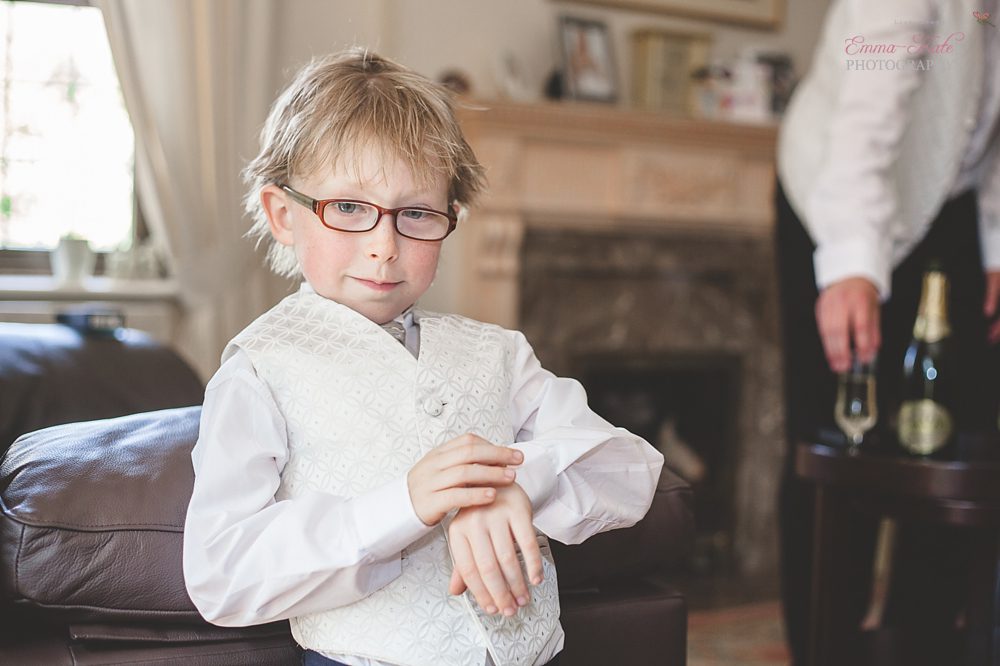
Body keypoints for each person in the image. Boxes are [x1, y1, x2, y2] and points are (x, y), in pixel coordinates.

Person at [181, 49, 664, 666]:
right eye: (348, 207)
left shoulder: (499, 353)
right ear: (283, 214)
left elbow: (629, 468)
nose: (384, 246)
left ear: (450, 218)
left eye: (415, 213)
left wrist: (519, 487)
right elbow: (221, 574)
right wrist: (402, 507)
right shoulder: (259, 370)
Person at [775, 1, 1000, 663]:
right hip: (835, 194)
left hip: (950, 201)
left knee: (955, 440)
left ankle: (919, 644)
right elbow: (864, 124)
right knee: (839, 438)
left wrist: (997, 244)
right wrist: (852, 268)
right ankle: (824, 649)